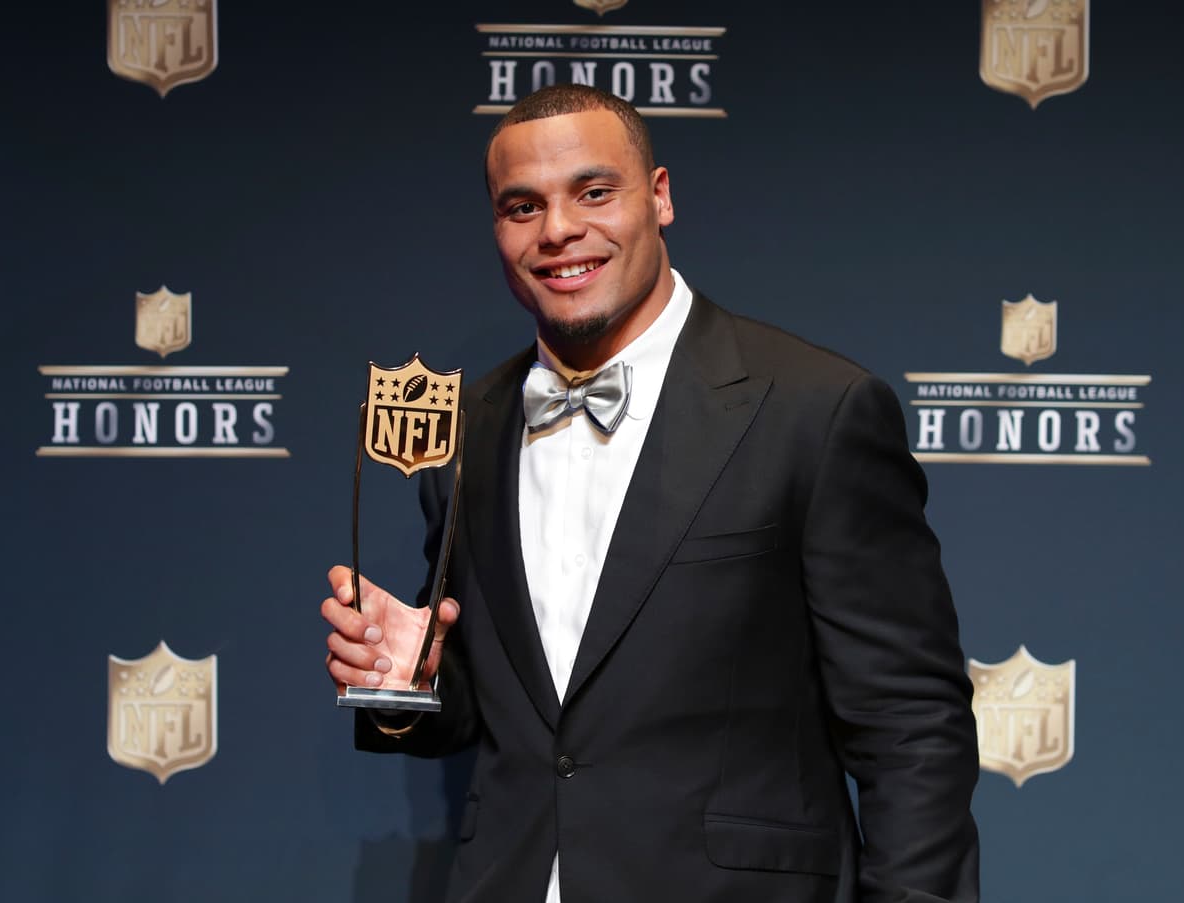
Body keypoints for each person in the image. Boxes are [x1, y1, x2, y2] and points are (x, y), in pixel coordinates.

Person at [322, 84, 979, 903]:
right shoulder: (469, 428)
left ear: (660, 197)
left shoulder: (814, 409)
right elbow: (513, 715)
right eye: (522, 206)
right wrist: (410, 680)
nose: (558, 230)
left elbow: (912, 728)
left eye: (593, 192)